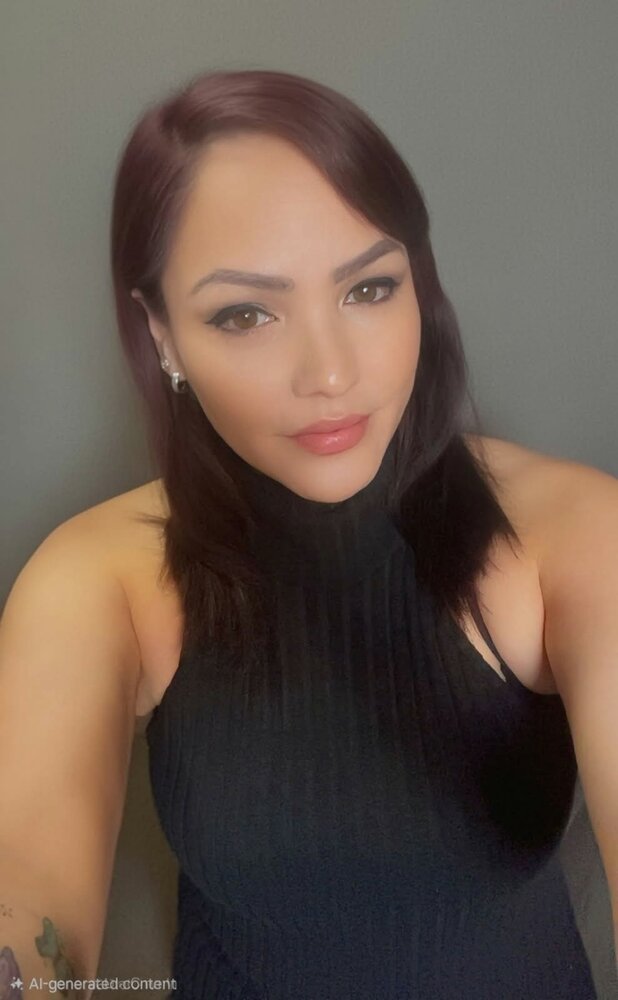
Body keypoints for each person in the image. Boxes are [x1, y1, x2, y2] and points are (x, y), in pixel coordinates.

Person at [1, 67, 616, 1000]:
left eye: (369, 289)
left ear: (419, 286)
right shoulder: (100, 576)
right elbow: (27, 882)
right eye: (245, 313)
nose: (329, 373)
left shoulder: (575, 530)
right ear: (161, 334)